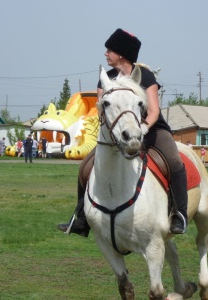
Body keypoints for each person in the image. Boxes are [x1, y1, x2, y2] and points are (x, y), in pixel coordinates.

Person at [58, 28, 188, 236]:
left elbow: (154, 110)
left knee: (174, 161)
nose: (105, 54)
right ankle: (81, 219)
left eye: (109, 50)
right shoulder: (106, 78)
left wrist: (144, 128)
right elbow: (103, 110)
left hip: (152, 129)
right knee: (85, 167)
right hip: (116, 134)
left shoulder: (145, 75)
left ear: (121, 53)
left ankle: (180, 215)